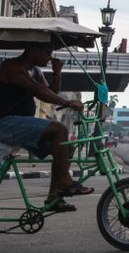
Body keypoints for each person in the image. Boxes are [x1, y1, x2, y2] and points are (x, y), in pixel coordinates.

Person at [0, 44, 90, 212]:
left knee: (66, 147)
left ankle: (54, 197)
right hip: (5, 123)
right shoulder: (12, 66)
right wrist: (67, 102)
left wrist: (57, 73)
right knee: (60, 130)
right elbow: (38, 90)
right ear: (33, 49)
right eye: (48, 52)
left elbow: (50, 92)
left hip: (20, 125)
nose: (50, 57)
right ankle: (64, 181)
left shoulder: (36, 71)